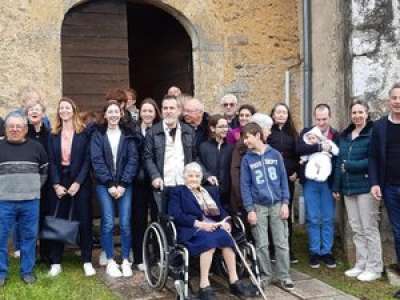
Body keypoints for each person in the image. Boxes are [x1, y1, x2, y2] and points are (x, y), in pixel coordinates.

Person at [168, 162, 257, 300]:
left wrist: (226, 221)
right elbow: (176, 214)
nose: (193, 179)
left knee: (226, 239)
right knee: (209, 242)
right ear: (184, 177)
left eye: (197, 176)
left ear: (201, 178)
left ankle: (234, 281)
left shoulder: (207, 192)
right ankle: (204, 285)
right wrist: (200, 224)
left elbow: (221, 210)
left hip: (213, 228)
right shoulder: (178, 192)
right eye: (190, 175)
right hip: (192, 230)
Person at [332, 100, 383, 282]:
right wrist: (336, 186)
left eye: (361, 112)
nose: (357, 116)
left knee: (369, 228)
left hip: (366, 187)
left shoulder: (373, 133)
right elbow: (339, 162)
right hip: (348, 188)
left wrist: (351, 166)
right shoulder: (345, 136)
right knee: (356, 228)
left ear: (367, 114)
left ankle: (375, 267)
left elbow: (373, 161)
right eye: (354, 112)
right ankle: (361, 264)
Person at [240, 122, 294, 290]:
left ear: (257, 135)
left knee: (281, 242)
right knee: (261, 243)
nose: (245, 141)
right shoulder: (247, 159)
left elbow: (284, 180)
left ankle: (284, 276)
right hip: (258, 206)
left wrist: (285, 203)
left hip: (277, 204)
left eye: (247, 137)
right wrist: (250, 210)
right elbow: (245, 186)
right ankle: (265, 275)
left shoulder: (275, 154)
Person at [47, 97, 95, 277]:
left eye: (67, 108)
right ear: (58, 112)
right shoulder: (53, 134)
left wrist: (78, 183)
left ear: (74, 110)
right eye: (61, 108)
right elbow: (51, 161)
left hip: (79, 182)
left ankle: (87, 260)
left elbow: (87, 159)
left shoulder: (83, 132)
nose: (64, 111)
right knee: (57, 221)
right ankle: (56, 262)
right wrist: (56, 184)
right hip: (60, 180)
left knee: (84, 221)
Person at [91, 100, 139, 278]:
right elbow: (97, 160)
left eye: (116, 112)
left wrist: (124, 184)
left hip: (125, 185)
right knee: (109, 222)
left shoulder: (128, 135)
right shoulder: (98, 135)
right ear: (105, 115)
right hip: (104, 185)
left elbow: (133, 160)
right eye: (109, 112)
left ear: (121, 114)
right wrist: (110, 184)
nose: (113, 115)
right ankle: (110, 260)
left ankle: (126, 260)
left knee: (126, 223)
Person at [0, 111, 48, 286]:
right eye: (11, 126)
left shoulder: (37, 147)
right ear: (5, 128)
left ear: (25, 129)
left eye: (18, 126)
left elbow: (44, 170)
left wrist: (33, 188)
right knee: (1, 238)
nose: (14, 129)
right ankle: (1, 273)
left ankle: (27, 271)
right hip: (3, 201)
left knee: (29, 237)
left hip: (30, 201)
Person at [297, 103, 339, 269]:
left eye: (324, 119)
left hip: (327, 182)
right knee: (313, 217)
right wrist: (320, 146)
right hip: (310, 181)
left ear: (330, 117)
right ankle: (314, 251)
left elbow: (338, 158)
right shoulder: (307, 132)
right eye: (318, 119)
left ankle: (327, 251)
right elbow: (299, 148)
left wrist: (336, 185)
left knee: (328, 217)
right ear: (315, 118)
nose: (321, 123)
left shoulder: (336, 135)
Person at [369, 83, 400, 298]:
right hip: (389, 188)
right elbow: (372, 157)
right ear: (389, 100)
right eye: (394, 98)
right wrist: (375, 182)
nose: (398, 101)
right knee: (399, 233)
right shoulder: (379, 127)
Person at [144, 95, 196, 212]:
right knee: (166, 219)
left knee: (185, 218)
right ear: (161, 111)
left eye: (172, 108)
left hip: (184, 183)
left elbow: (194, 157)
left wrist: (206, 175)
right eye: (165, 108)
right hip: (164, 185)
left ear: (178, 111)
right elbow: (148, 157)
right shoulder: (152, 132)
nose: (168, 111)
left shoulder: (188, 131)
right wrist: (155, 176)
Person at [131, 98, 161, 271]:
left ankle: (157, 255)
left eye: (151, 111)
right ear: (140, 113)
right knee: (139, 219)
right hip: (139, 182)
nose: (148, 114)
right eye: (144, 111)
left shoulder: (159, 131)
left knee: (157, 217)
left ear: (155, 113)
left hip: (156, 180)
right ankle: (140, 257)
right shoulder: (134, 130)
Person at [269, 103, 300, 264]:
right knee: (271, 213)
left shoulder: (293, 134)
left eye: (284, 112)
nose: (281, 115)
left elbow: (299, 156)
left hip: (288, 178)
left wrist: (297, 173)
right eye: (278, 112)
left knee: (285, 214)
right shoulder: (268, 133)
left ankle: (288, 249)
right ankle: (273, 249)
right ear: (273, 115)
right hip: (271, 180)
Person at [25, 102, 51, 263]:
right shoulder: (22, 133)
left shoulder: (50, 134)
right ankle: (29, 254)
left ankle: (46, 254)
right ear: (26, 114)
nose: (34, 112)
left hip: (46, 184)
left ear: (43, 114)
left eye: (37, 110)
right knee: (28, 221)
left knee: (45, 218)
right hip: (26, 185)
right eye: (30, 110)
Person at [198, 114, 234, 209]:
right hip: (209, 191)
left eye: (226, 126)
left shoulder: (231, 148)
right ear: (212, 128)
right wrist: (207, 176)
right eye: (221, 127)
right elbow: (199, 163)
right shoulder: (203, 146)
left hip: (227, 194)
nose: (225, 129)